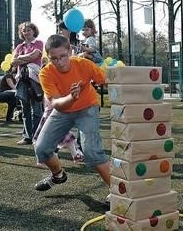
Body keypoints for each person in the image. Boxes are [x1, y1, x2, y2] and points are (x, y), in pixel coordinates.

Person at [34, 34, 110, 191]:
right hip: (63, 110)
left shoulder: (84, 64)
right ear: (48, 57)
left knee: (91, 151)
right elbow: (56, 104)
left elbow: (108, 80)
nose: (60, 62)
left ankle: (118, 193)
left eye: (63, 56)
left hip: (87, 107)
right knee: (41, 148)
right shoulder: (45, 73)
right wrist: (71, 97)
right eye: (54, 58)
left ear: (70, 52)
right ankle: (58, 175)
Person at [12, 22, 44, 145]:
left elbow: (35, 55)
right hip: (22, 79)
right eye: (24, 30)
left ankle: (38, 136)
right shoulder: (19, 46)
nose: (27, 32)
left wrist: (21, 59)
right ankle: (27, 137)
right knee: (24, 109)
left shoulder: (39, 43)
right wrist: (26, 58)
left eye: (29, 30)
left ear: (34, 31)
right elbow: (14, 61)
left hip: (34, 80)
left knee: (36, 109)